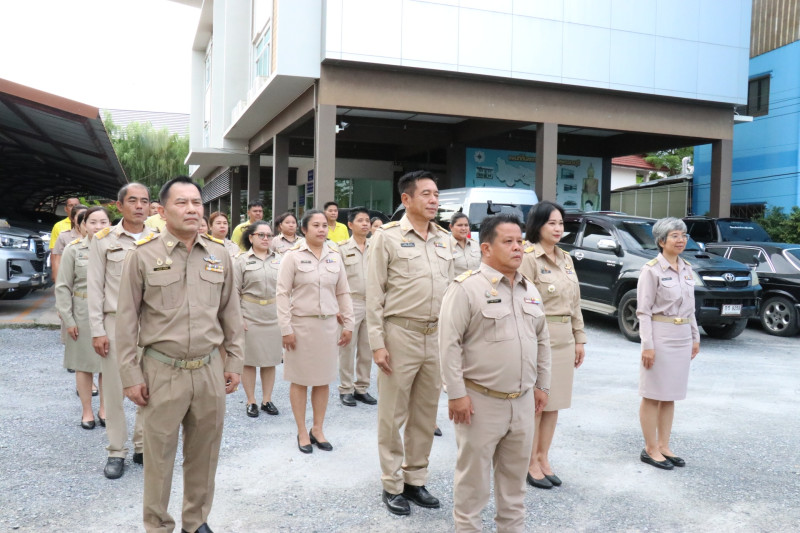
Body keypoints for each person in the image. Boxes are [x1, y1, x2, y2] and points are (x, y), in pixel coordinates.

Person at [116, 176, 244, 533]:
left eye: (196, 203)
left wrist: (234, 361)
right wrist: (130, 375)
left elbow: (231, 313)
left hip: (209, 368)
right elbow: (125, 322)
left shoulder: (219, 254)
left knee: (205, 453)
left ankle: (196, 520)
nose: (191, 209)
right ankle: (157, 525)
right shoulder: (142, 255)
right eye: (181, 202)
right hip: (162, 369)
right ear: (162, 210)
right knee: (158, 457)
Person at [440, 213, 552, 532]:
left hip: (522, 402)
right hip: (480, 402)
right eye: (508, 241)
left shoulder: (529, 289)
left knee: (514, 487)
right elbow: (448, 345)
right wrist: (457, 394)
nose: (518, 248)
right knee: (473, 484)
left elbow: (542, 340)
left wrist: (542, 386)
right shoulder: (466, 289)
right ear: (486, 248)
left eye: (520, 241)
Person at [367, 170, 453, 516]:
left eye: (436, 194)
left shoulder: (444, 239)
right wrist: (377, 343)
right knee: (392, 415)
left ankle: (415, 480)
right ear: (406, 199)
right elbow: (374, 294)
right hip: (399, 334)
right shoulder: (387, 237)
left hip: (435, 336)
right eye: (426, 194)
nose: (434, 200)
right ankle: (391, 484)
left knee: (425, 414)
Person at [519, 201, 587, 489]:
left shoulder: (565, 258)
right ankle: (528, 461)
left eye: (561, 223)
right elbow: (521, 302)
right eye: (552, 223)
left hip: (563, 337)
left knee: (554, 402)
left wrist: (579, 337)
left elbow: (575, 302)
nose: (559, 228)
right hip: (538, 336)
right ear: (538, 225)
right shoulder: (528, 257)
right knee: (537, 403)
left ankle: (543, 457)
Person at [88, 183, 152, 479]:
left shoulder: (159, 238)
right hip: (115, 325)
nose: (139, 206)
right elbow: (95, 288)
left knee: (149, 388)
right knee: (114, 391)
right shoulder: (103, 240)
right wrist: (97, 330)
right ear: (119, 205)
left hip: (151, 326)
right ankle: (116, 451)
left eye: (145, 201)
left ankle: (142, 446)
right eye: (133, 201)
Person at [276, 210, 354, 453]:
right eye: (316, 225)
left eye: (324, 226)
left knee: (323, 380)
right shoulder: (293, 257)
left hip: (328, 326)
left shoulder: (335, 256)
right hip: (301, 326)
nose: (322, 229)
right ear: (304, 229)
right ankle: (302, 430)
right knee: (300, 380)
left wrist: (348, 324)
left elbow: (343, 292)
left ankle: (317, 429)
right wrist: (285, 328)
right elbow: (282, 293)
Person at [636, 217, 700, 470]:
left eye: (683, 235)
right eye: (675, 236)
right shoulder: (651, 270)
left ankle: (664, 445)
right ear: (661, 241)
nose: (681, 240)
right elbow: (643, 311)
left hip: (682, 335)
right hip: (660, 336)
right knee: (653, 394)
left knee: (670, 395)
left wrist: (695, 336)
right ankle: (650, 448)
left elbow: (691, 308)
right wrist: (647, 345)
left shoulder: (687, 268)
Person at [56, 206, 110, 430]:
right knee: (83, 365)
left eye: (103, 222)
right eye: (93, 222)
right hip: (82, 312)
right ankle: (87, 410)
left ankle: (105, 409)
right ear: (83, 225)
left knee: (108, 365)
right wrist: (68, 320)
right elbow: (62, 286)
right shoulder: (73, 249)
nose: (98, 226)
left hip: (109, 313)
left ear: (110, 224)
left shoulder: (117, 248)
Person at [234, 221, 283, 418]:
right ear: (251, 237)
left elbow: (287, 289)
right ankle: (251, 400)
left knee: (270, 360)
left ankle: (267, 400)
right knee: (249, 360)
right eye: (261, 235)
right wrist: (239, 317)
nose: (265, 239)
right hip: (250, 313)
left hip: (273, 314)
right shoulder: (241, 261)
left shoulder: (280, 259)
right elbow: (234, 291)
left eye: (269, 235)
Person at [336, 207, 377, 407]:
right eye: (360, 220)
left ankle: (362, 387)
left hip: (373, 302)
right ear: (350, 225)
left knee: (367, 348)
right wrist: (338, 307)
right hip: (350, 302)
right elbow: (335, 279)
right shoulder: (341, 249)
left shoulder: (376, 246)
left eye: (367, 220)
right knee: (347, 348)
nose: (365, 224)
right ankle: (346, 388)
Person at [52, 204, 87, 284]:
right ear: (72, 219)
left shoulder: (94, 237)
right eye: (79, 216)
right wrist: (58, 284)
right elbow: (58, 262)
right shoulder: (64, 236)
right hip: (69, 279)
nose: (82, 219)